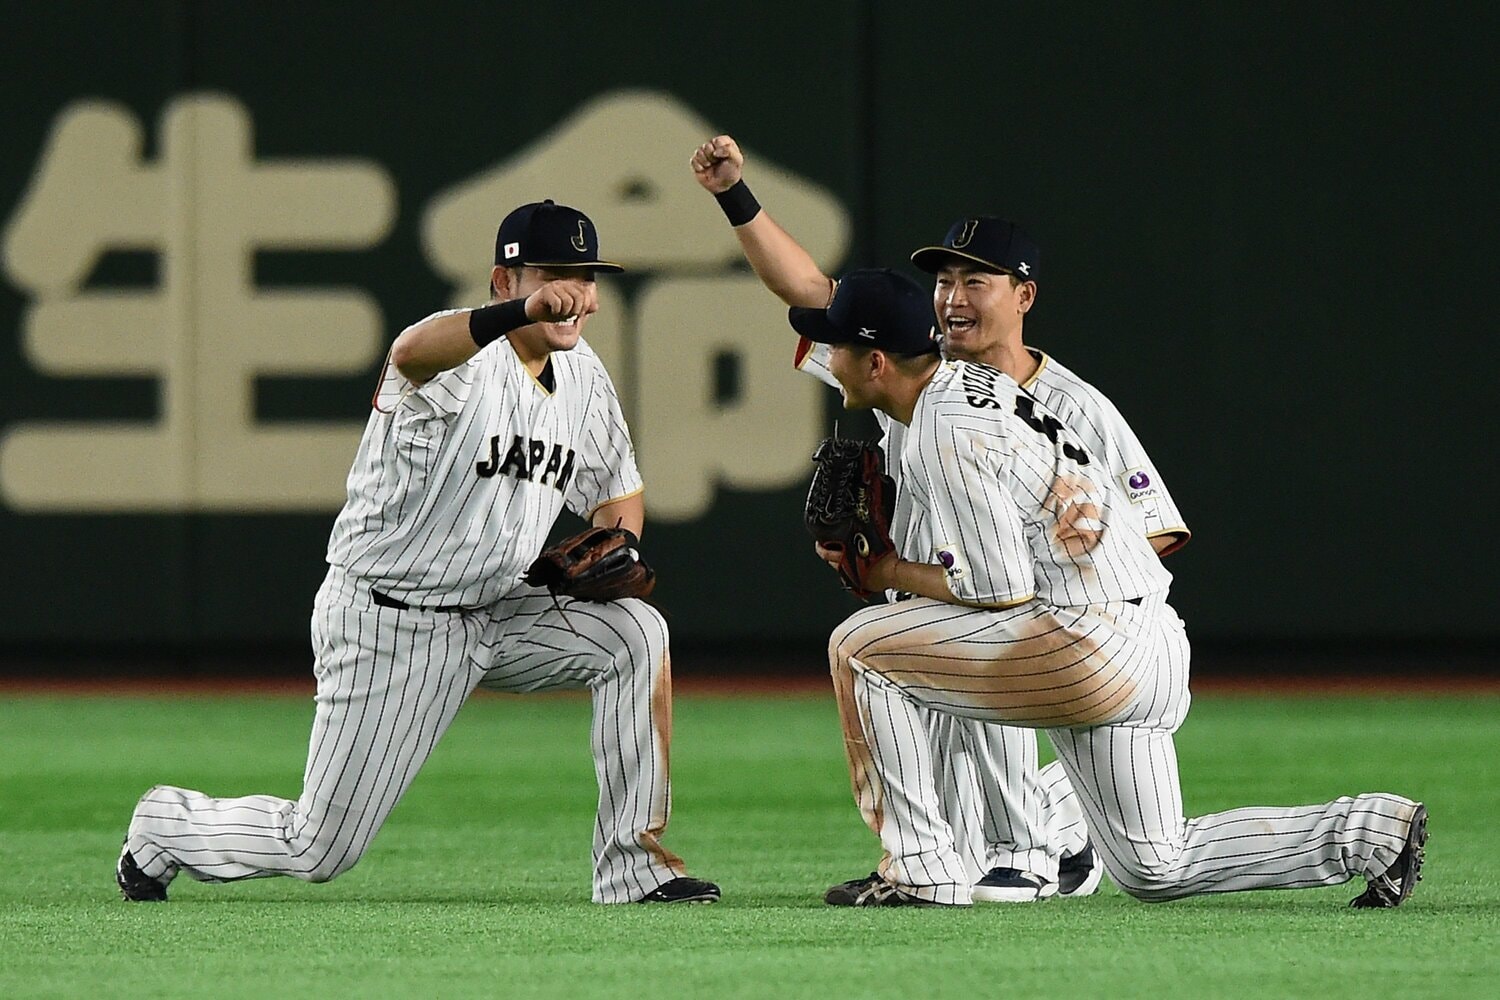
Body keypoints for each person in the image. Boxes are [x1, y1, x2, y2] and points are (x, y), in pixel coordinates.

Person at [116, 200, 719, 905]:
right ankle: (164, 824)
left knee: (636, 633)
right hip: (393, 620)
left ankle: (635, 869)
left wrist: (622, 542)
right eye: (556, 273)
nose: (576, 293)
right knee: (317, 847)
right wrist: (520, 316)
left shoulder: (583, 376)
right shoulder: (459, 359)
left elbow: (618, 490)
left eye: (587, 276)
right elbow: (412, 350)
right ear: (503, 280)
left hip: (501, 607)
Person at [783, 266, 1426, 907]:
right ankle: (1370, 832)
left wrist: (884, 571)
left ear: (875, 364)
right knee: (1156, 867)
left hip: (1085, 639)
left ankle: (924, 868)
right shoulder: (970, 387)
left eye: (836, 347)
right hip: (1151, 638)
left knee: (861, 648)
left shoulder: (945, 429)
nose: (827, 358)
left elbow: (996, 587)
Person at [691, 134, 1188, 901]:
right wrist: (734, 197)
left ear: (1023, 295)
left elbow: (1152, 530)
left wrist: (1070, 596)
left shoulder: (1075, 408)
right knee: (947, 765)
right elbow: (810, 297)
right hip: (947, 598)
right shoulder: (917, 369)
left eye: (975, 280)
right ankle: (974, 854)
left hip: (1031, 611)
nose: (953, 295)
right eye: (945, 280)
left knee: (978, 669)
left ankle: (1027, 849)